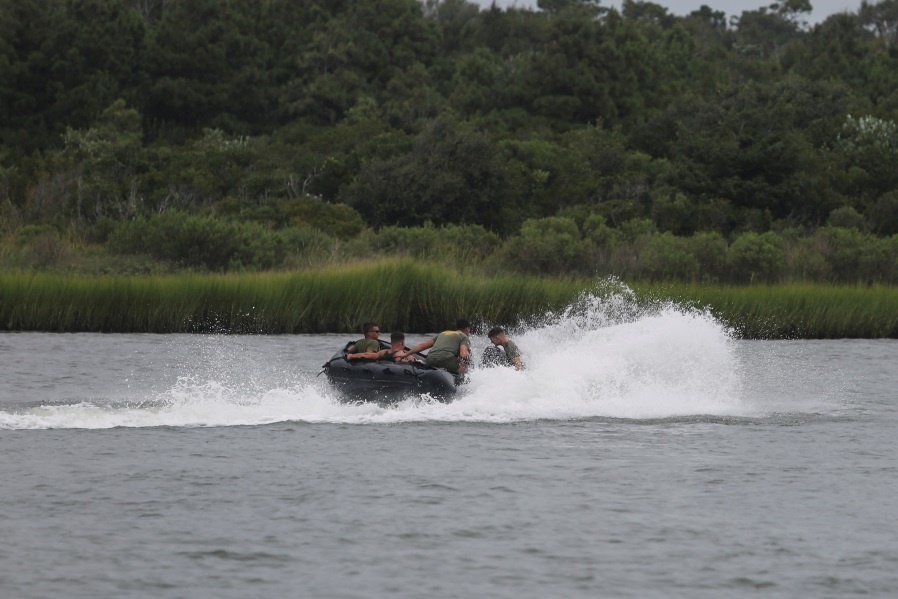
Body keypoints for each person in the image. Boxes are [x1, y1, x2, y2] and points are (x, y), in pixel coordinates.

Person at [398, 319, 472, 374]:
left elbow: (422, 346)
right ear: (467, 329)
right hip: (446, 360)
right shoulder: (464, 337)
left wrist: (405, 354)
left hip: (430, 359)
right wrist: (468, 359)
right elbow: (463, 354)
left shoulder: (444, 333)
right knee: (465, 368)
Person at [347, 332, 421, 363]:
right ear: (402, 343)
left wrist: (352, 355)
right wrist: (413, 361)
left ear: (391, 342)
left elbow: (367, 355)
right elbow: (398, 361)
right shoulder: (400, 353)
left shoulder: (383, 352)